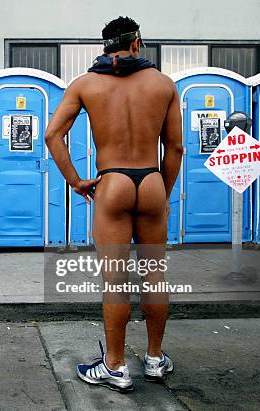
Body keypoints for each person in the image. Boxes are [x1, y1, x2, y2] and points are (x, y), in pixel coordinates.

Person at [45, 16, 183, 393]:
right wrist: (162, 195)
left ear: (106, 46)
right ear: (137, 43)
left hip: (113, 181)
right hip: (151, 178)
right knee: (155, 273)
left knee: (116, 279)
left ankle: (116, 367)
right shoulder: (163, 84)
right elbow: (175, 148)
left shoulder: (86, 84)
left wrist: (76, 181)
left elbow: (53, 134)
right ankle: (155, 359)